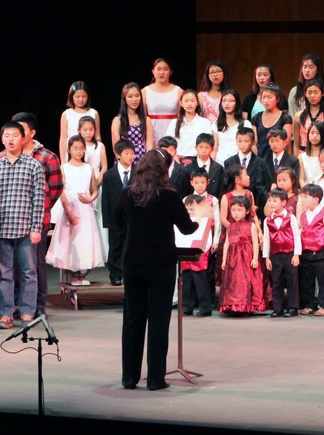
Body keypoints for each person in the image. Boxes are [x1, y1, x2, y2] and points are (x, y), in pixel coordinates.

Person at [115, 149, 205, 391]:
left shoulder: (128, 193)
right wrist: (199, 218)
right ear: (164, 169)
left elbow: (117, 222)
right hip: (160, 265)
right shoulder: (169, 195)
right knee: (158, 321)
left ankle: (129, 378)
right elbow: (186, 229)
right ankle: (155, 379)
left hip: (132, 264)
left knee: (132, 321)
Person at [0, 121, 45, 330]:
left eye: (14, 135)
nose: (10, 139)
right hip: (2, 229)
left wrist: (36, 227)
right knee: (4, 274)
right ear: (2, 139)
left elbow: (39, 199)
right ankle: (6, 314)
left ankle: (27, 312)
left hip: (26, 229)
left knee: (29, 272)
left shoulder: (33, 166)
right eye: (7, 136)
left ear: (23, 138)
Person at [12, 112, 63, 321]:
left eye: (21, 130)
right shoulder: (5, 155)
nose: (16, 134)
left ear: (31, 133)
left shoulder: (47, 156)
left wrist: (41, 208)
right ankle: (17, 304)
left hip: (37, 220)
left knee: (36, 264)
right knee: (14, 264)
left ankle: (38, 305)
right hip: (12, 220)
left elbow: (56, 188)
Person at [46, 135, 105, 286]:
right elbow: (61, 191)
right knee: (71, 241)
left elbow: (94, 189)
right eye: (75, 148)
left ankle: (82, 274)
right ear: (69, 149)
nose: (79, 151)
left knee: (85, 241)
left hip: (85, 209)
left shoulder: (88, 168)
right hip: (70, 207)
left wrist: (90, 198)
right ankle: (73, 274)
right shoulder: (64, 168)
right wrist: (68, 212)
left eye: (81, 149)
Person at [218, 194, 268, 316]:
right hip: (233, 259)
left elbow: (255, 242)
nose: (236, 213)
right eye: (233, 210)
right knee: (233, 282)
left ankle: (245, 306)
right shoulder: (230, 226)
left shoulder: (251, 225)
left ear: (247, 211)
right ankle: (232, 305)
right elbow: (227, 243)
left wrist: (255, 258)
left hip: (246, 257)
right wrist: (224, 260)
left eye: (239, 210)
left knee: (245, 281)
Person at [297, 183, 324, 316]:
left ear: (316, 199)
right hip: (307, 252)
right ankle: (309, 304)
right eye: (302, 196)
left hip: (321, 251)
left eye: (305, 197)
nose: (302, 200)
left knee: (323, 280)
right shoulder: (303, 215)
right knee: (307, 280)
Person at [101, 140, 135, 286]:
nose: (130, 156)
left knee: (132, 246)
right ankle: (115, 274)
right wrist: (107, 221)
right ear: (118, 155)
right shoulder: (109, 175)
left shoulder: (139, 173)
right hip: (115, 218)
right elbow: (106, 199)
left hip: (134, 217)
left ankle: (131, 273)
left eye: (132, 153)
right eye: (127, 153)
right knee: (115, 246)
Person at [262, 188, 301, 317]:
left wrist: (296, 254)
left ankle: (293, 307)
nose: (271, 203)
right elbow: (266, 239)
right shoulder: (267, 220)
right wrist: (266, 257)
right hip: (275, 254)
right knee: (276, 281)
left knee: (292, 281)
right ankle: (277, 308)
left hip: (289, 253)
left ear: (283, 202)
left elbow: (296, 236)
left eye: (275, 201)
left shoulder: (291, 217)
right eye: (269, 201)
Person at [179, 195, 215, 316]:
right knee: (186, 284)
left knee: (201, 284)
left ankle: (205, 307)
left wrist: (202, 251)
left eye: (192, 209)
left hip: (199, 257)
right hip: (185, 255)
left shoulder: (205, 222)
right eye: (187, 209)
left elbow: (208, 240)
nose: (189, 212)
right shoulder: (184, 222)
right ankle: (186, 307)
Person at [222, 127, 272, 212]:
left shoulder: (260, 162)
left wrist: (257, 206)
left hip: (255, 205)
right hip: (233, 207)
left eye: (246, 141)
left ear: (253, 142)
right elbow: (227, 185)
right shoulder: (229, 162)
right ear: (236, 141)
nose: (242, 144)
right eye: (240, 141)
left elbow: (260, 185)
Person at [142, 58, 183, 144]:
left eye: (165, 69)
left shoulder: (179, 91)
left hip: (173, 131)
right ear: (153, 71)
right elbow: (143, 118)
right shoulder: (145, 92)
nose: (162, 72)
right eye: (158, 69)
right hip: (152, 132)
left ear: (170, 72)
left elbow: (181, 117)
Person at [59, 81, 101, 163]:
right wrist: (63, 160)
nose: (81, 99)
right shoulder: (67, 114)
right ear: (72, 96)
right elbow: (63, 138)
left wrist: (98, 154)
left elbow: (97, 137)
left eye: (84, 96)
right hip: (73, 153)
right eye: (77, 96)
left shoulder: (93, 113)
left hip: (90, 153)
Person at [295, 79, 324, 154]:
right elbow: (296, 144)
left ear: (322, 93)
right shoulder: (298, 116)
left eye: (316, 92)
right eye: (309, 92)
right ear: (305, 94)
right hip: (304, 154)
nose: (312, 96)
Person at [112, 82, 148, 163]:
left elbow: (149, 144)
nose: (134, 99)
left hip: (142, 159)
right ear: (124, 98)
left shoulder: (146, 120)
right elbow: (116, 146)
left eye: (137, 96)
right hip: (124, 160)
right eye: (130, 96)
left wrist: (147, 161)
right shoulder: (118, 120)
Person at [212, 89, 251, 164]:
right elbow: (215, 147)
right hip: (220, 163)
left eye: (231, 101)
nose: (227, 104)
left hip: (239, 163)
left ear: (236, 104)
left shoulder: (245, 124)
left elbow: (250, 146)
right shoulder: (216, 124)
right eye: (224, 101)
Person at [174, 89, 214, 162]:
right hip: (178, 161)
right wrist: (177, 163)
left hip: (198, 161)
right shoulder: (174, 122)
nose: (189, 104)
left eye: (192, 101)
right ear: (181, 103)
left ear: (197, 103)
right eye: (186, 101)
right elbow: (169, 145)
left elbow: (207, 144)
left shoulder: (204, 122)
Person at [255, 85, 292, 160]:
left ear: (277, 99)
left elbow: (286, 142)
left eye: (269, 97)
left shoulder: (285, 118)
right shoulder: (256, 118)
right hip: (261, 159)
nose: (266, 100)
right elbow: (254, 143)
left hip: (279, 159)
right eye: (263, 97)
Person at [189, 133, 224, 198]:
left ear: (212, 149)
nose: (203, 151)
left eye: (207, 148)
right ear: (196, 148)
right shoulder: (188, 168)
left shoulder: (219, 168)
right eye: (201, 147)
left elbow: (220, 190)